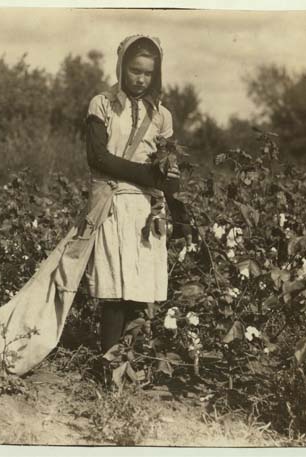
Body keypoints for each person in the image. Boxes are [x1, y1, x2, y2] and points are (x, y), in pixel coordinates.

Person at [84, 35, 184, 353]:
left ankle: (129, 361)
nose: (140, 79)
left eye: (147, 73)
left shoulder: (162, 116)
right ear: (121, 67)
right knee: (114, 285)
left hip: (146, 207)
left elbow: (167, 169)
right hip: (113, 200)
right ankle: (108, 361)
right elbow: (98, 157)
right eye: (134, 71)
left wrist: (179, 209)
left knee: (139, 286)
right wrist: (147, 175)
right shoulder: (102, 104)